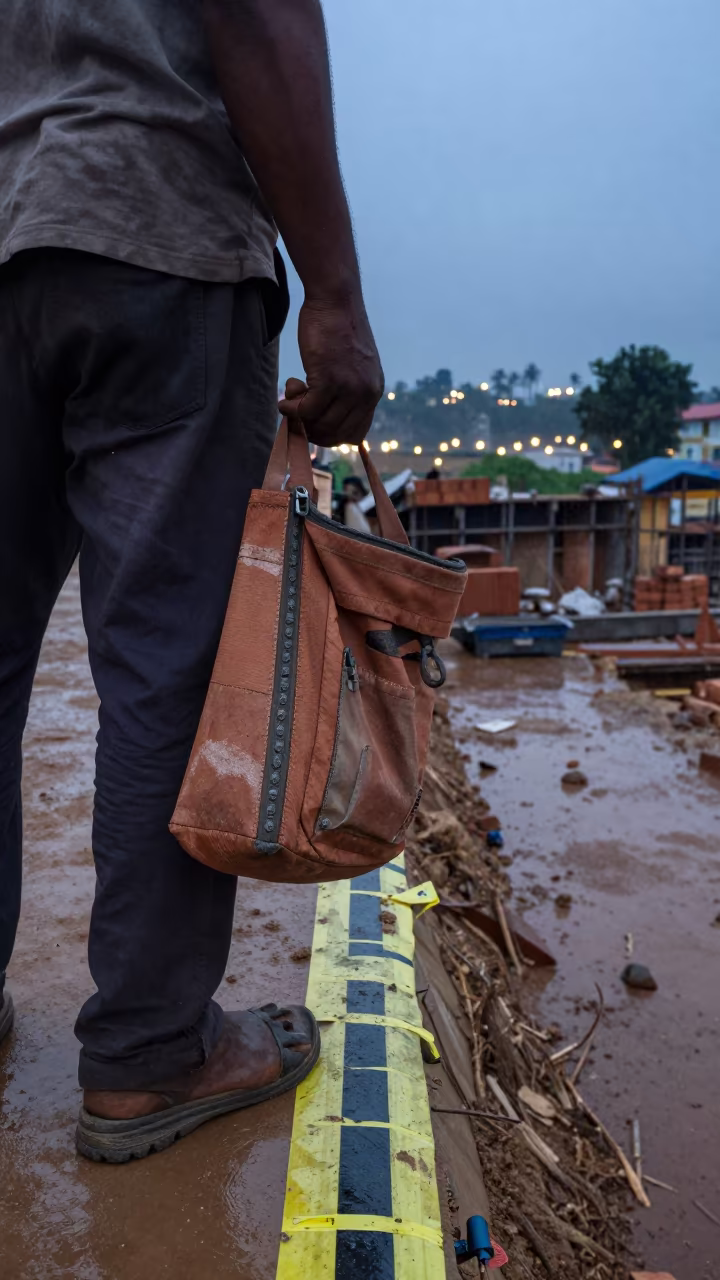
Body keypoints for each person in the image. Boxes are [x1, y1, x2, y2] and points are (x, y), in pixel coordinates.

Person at [0, 0, 383, 1162]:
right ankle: (151, 1046)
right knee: (166, 663)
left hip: (11, 241)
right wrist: (335, 293)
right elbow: (257, 13)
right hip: (154, 238)